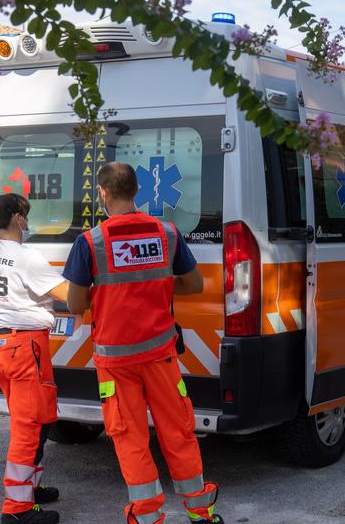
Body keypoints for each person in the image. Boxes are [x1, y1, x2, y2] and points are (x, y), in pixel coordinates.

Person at [62, 162, 223, 524]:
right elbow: (194, 284)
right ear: (137, 191)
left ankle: (148, 517)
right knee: (178, 431)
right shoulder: (166, 233)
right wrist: (159, 284)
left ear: (103, 193)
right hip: (161, 356)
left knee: (129, 437)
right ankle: (201, 512)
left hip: (115, 363)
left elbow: (75, 304)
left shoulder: (90, 242)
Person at [0, 194, 69, 524]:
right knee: (28, 426)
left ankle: (31, 487)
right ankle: (17, 510)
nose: (27, 222)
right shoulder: (26, 257)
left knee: (35, 417)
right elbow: (69, 294)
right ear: (15, 219)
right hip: (25, 347)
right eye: (24, 215)